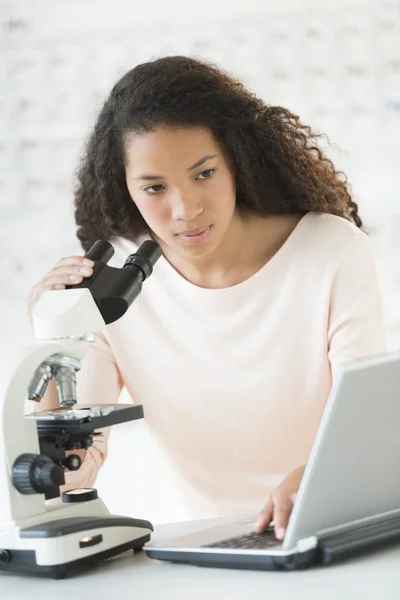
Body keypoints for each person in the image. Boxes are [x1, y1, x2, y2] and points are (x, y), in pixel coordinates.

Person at [28, 55, 387, 540]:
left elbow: (368, 431)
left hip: (339, 530)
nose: (186, 210)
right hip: (216, 552)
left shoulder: (330, 251)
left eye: (203, 174)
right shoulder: (111, 295)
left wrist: (315, 482)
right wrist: (50, 336)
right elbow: (73, 474)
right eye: (154, 187)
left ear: (236, 159)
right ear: (126, 189)